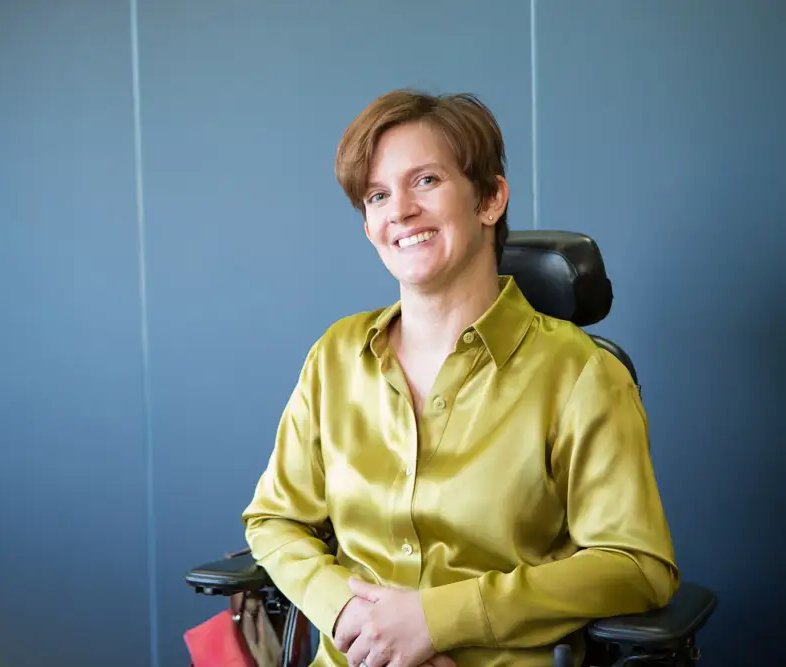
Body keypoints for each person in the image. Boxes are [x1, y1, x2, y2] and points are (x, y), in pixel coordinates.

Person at [241, 90, 679, 667]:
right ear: (369, 226)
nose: (400, 210)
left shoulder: (579, 374)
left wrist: (437, 620)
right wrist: (352, 619)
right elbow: (274, 519)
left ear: (490, 199)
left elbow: (636, 565)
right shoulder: (336, 357)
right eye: (377, 195)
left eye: (425, 180)